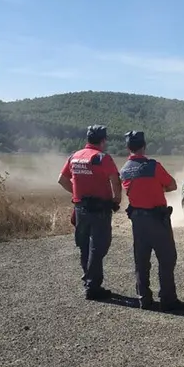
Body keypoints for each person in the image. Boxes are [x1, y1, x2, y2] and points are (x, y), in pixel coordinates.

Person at [119, 130, 184, 311]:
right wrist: (158, 189)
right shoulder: (153, 166)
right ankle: (168, 299)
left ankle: (144, 298)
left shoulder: (124, 170)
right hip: (157, 219)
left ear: (128, 147)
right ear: (144, 146)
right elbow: (172, 185)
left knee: (141, 260)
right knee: (167, 258)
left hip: (137, 221)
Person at [58, 125, 122, 300]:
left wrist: (76, 194)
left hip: (80, 208)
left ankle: (88, 279)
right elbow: (115, 181)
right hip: (100, 209)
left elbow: (62, 179)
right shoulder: (102, 158)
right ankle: (92, 286)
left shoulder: (74, 156)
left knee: (84, 245)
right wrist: (116, 200)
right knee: (99, 246)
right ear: (103, 140)